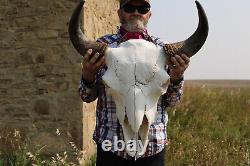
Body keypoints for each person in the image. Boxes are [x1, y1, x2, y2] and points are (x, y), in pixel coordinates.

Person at [79, 0, 190, 165]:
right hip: (111, 147)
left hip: (153, 148)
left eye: (143, 8)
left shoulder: (163, 48)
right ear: (120, 13)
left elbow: (172, 101)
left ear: (149, 14)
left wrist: (176, 76)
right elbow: (86, 97)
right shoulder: (101, 46)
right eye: (129, 7)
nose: (136, 12)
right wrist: (88, 75)